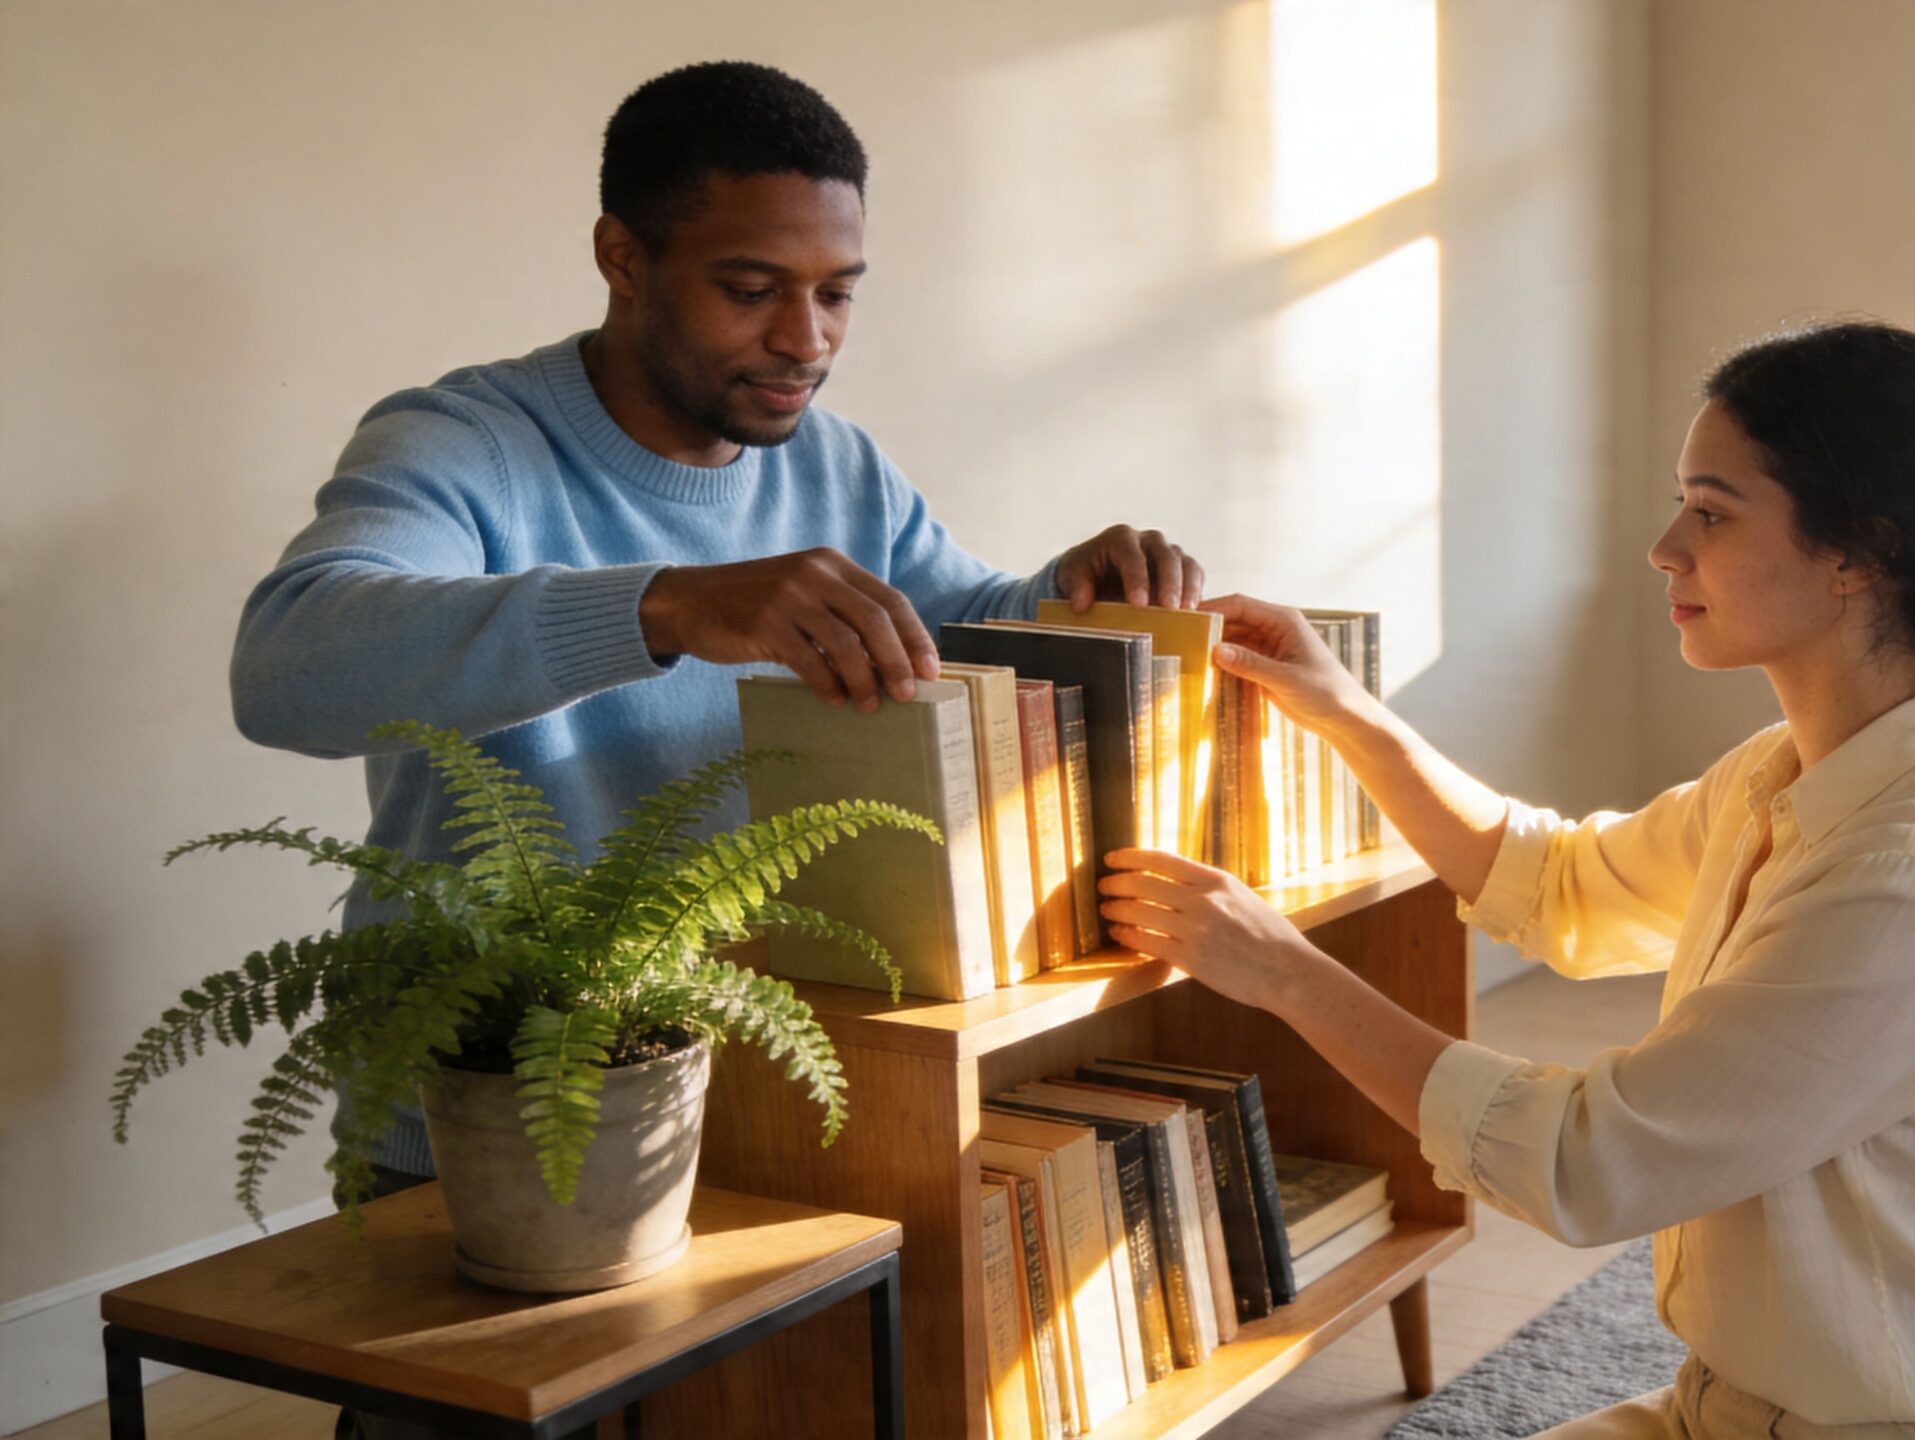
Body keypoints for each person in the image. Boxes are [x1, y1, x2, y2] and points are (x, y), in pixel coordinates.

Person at [1101, 321, 1915, 1437]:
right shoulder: (1798, 772)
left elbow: (1588, 1163)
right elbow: (1561, 885)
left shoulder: (1909, 874)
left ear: (1856, 554)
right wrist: (1345, 712)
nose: (1664, 547)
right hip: (1728, 1411)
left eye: (1710, 510)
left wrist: (1287, 975)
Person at [231, 60, 1206, 1193]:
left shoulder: (838, 465)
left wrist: (1072, 587)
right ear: (624, 258)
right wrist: (670, 606)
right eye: (751, 289)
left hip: (771, 1071)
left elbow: (946, 621)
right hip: (503, 1107)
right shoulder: (464, 443)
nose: (806, 340)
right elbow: (286, 668)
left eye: (837, 292)